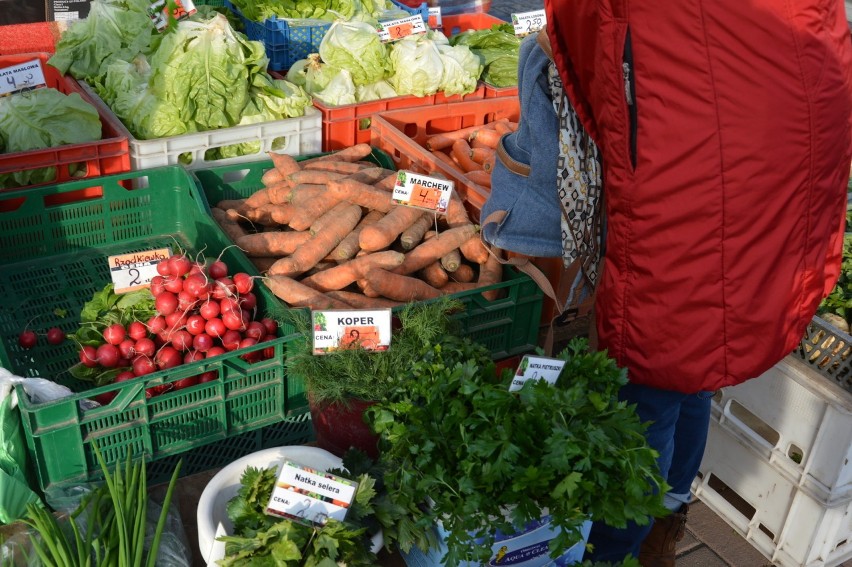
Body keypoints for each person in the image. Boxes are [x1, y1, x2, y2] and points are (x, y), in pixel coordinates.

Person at [540, 1, 852, 565]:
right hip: (765, 158)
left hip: (684, 168)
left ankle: (612, 551)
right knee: (691, 365)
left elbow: (586, 29)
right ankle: (665, 524)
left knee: (650, 376)